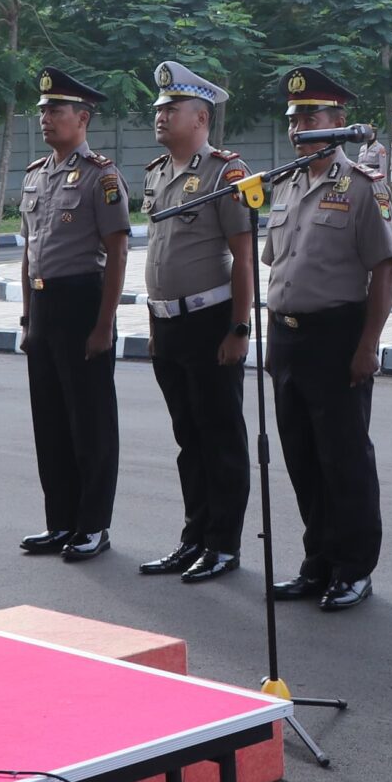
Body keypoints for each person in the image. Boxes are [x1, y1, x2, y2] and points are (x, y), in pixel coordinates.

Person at [265, 67, 392, 611]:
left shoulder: (364, 187)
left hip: (337, 334)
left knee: (343, 457)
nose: (302, 127)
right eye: (296, 118)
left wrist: (368, 345)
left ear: (340, 123)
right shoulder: (283, 184)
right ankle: (317, 559)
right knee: (301, 455)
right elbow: (276, 262)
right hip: (287, 337)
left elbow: (385, 270)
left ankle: (353, 567)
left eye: (313, 117)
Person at [138, 60, 256, 584]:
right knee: (189, 437)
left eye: (172, 108)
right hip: (167, 324)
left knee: (220, 437)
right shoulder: (157, 172)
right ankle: (194, 536)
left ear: (201, 117)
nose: (161, 116)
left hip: (211, 322)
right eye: (159, 109)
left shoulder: (224, 173)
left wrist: (239, 328)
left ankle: (224, 545)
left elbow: (244, 255)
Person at [16, 68, 129, 562]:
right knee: (51, 422)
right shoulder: (35, 174)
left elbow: (118, 251)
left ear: (82, 118)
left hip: (83, 302)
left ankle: (92, 525)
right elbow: (28, 251)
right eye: (42, 110)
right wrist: (26, 317)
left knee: (90, 423)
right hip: (43, 307)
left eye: (55, 110)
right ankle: (59, 521)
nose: (45, 117)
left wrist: (104, 324)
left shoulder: (102, 176)